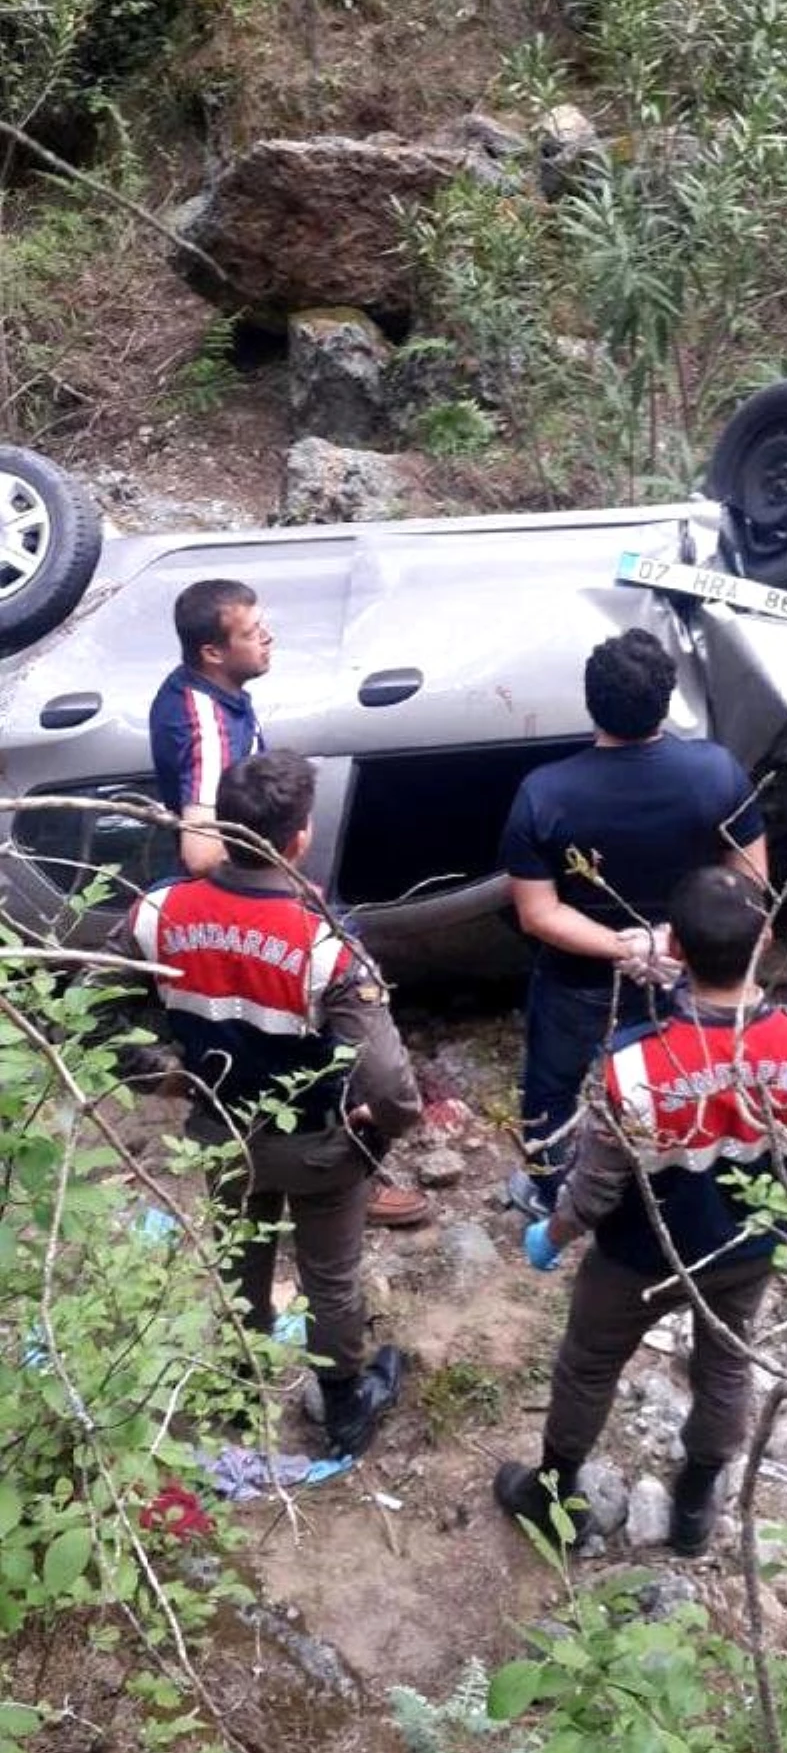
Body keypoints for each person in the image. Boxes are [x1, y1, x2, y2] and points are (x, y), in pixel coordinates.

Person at [493, 865, 787, 1556]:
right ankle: (694, 1506)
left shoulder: (636, 1066)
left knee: (590, 1364)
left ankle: (554, 1490)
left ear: (675, 948)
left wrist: (553, 1233)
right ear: (767, 939)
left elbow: (596, 1190)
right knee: (725, 1364)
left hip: (638, 1256)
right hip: (747, 1247)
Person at [118, 749, 422, 1459]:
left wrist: (163, 1079)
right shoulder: (327, 947)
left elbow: (96, 1004)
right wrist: (383, 1128)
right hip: (318, 1146)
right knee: (330, 1276)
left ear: (224, 829)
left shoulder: (156, 911)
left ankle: (234, 1385)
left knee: (238, 1258)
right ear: (300, 838)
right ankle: (346, 1406)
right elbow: (392, 1085)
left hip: (219, 1131)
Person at [499, 626, 768, 1216]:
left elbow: (538, 913)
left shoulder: (544, 793)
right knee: (683, 1073)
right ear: (666, 703)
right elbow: (750, 887)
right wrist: (668, 942)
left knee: (553, 1085)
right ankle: (675, 1184)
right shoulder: (716, 773)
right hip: (685, 967)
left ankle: (550, 1195)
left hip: (580, 976)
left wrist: (628, 949)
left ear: (591, 701)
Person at [149, 579, 271, 876]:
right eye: (252, 633)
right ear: (213, 654)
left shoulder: (202, 684)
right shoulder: (208, 728)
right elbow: (202, 856)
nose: (268, 637)